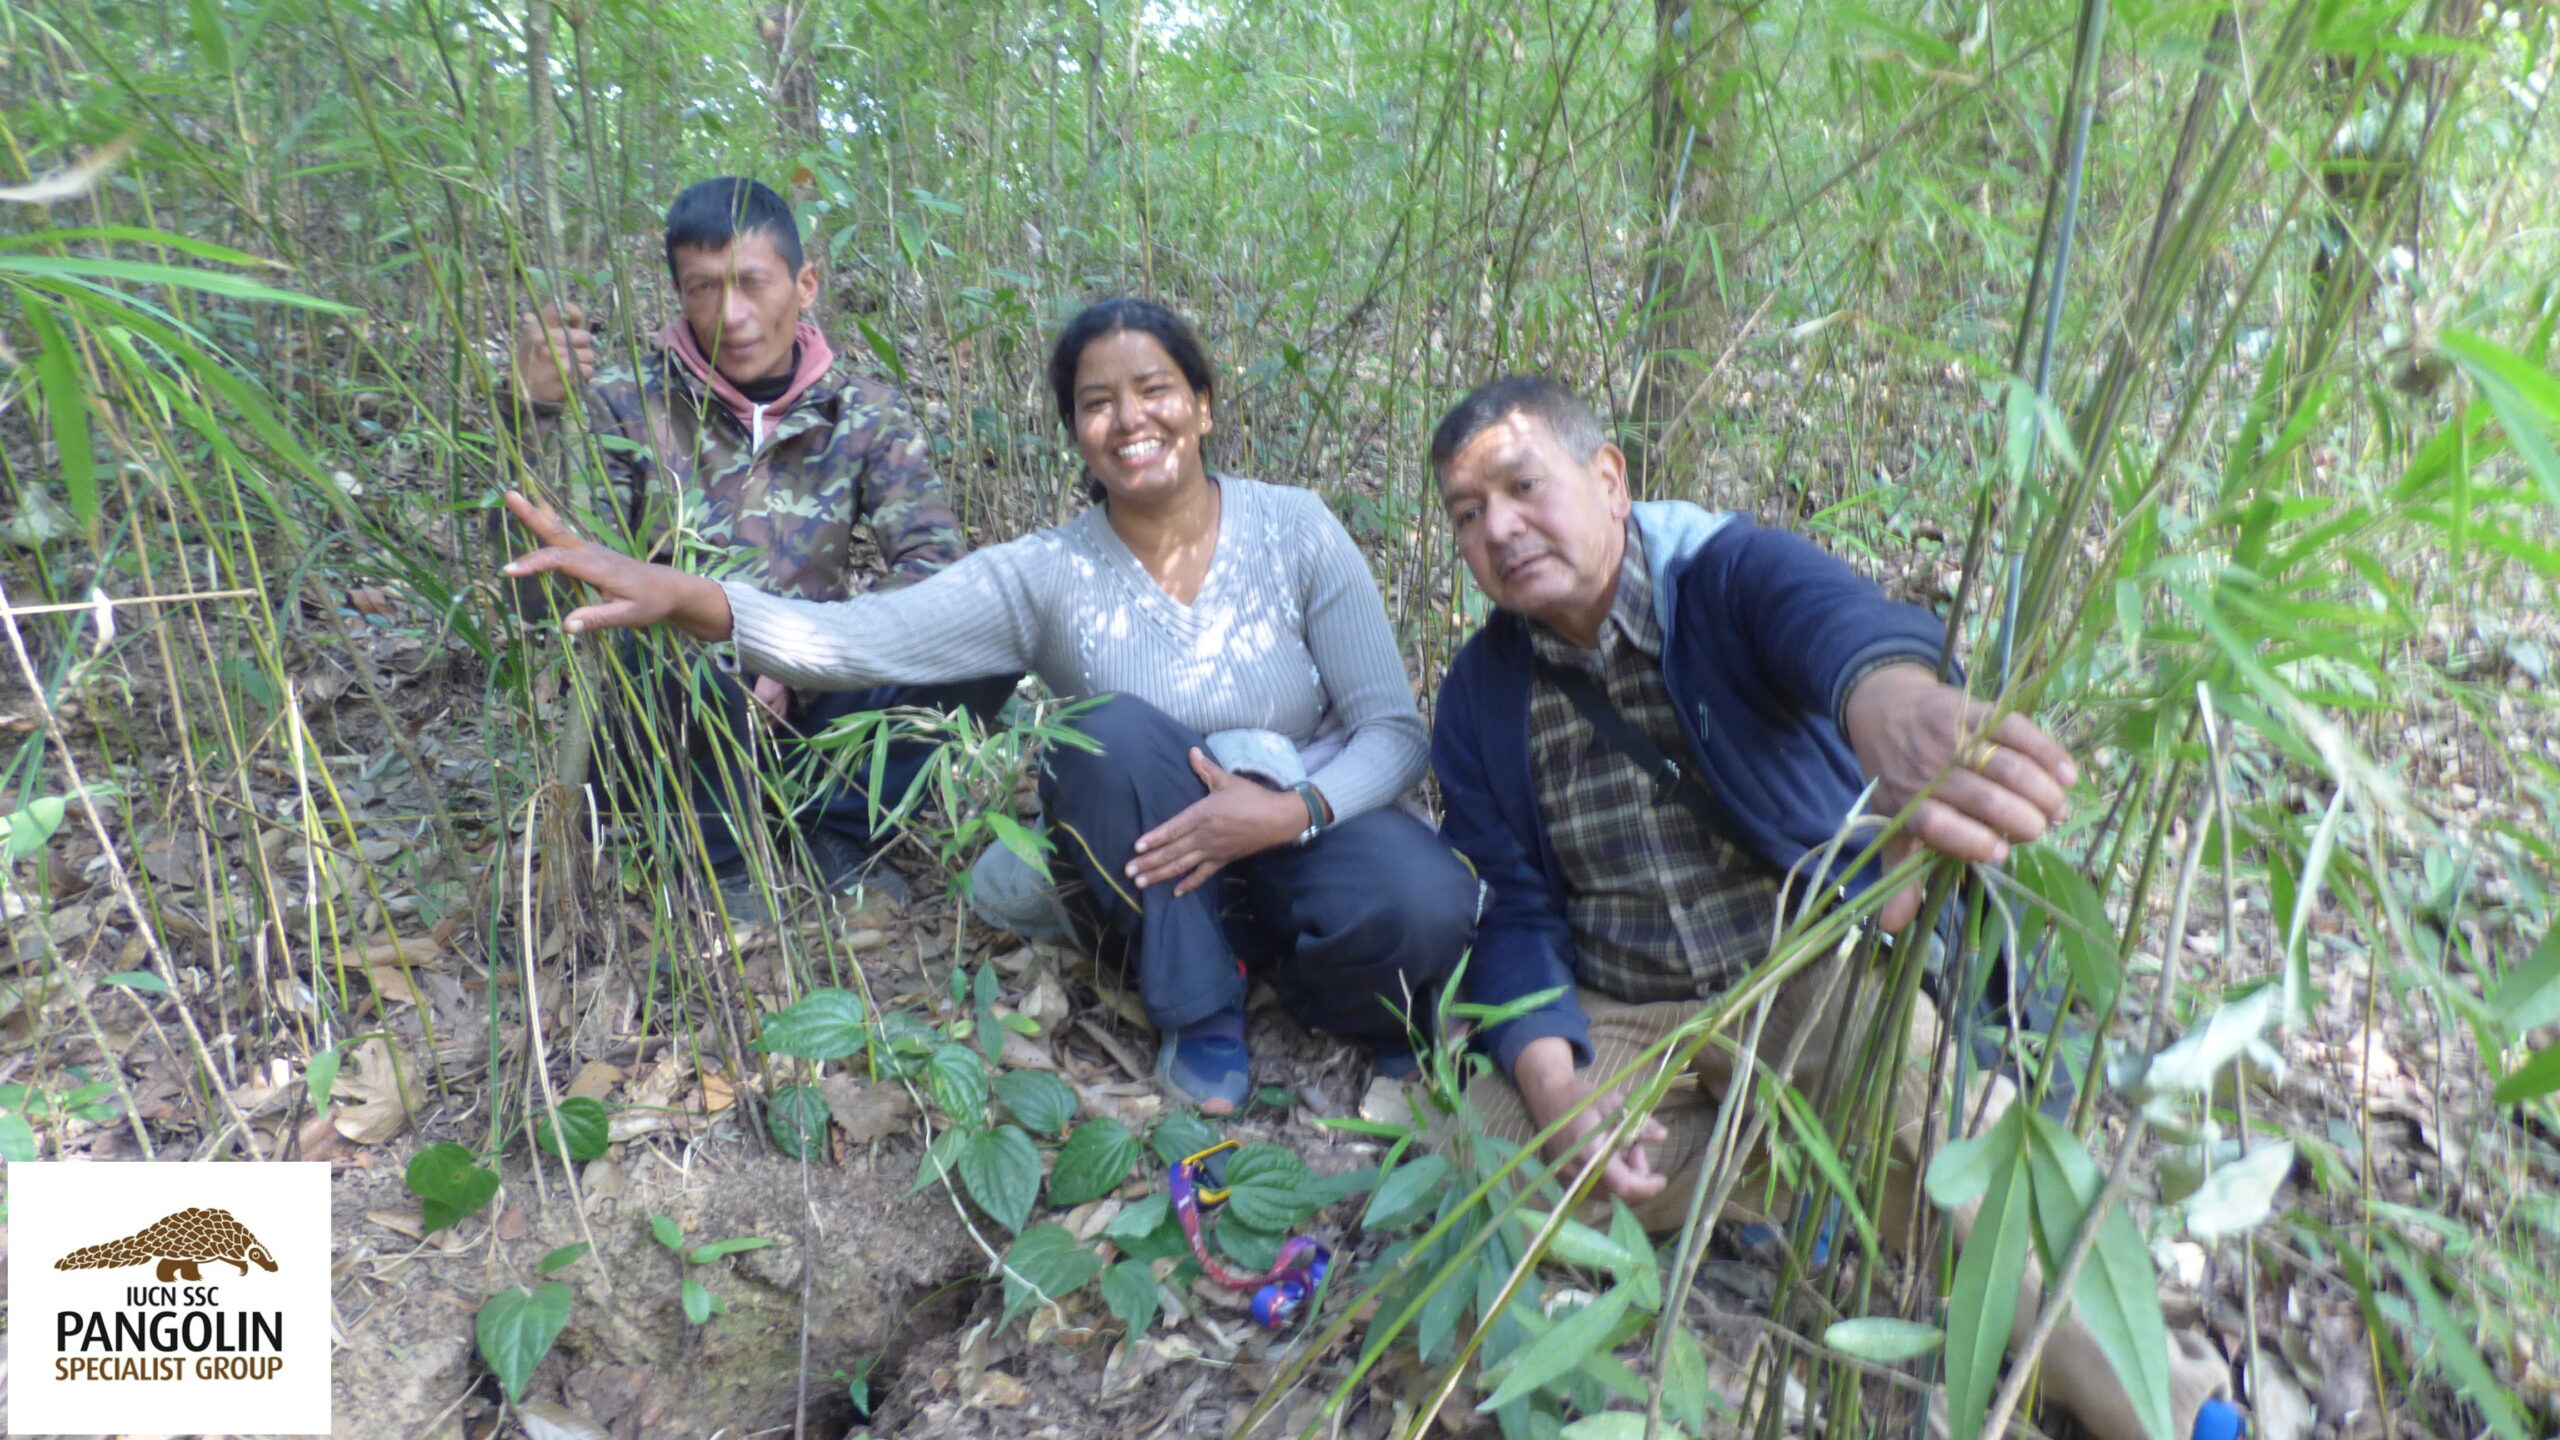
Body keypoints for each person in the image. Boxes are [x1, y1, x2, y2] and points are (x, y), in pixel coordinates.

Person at [1426, 376, 2232, 1440]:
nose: (1499, 529)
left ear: (1609, 479)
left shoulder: (1715, 579)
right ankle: (1784, 1182)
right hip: (1627, 1005)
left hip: (1807, 962)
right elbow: (1512, 906)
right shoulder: (1480, 694)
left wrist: (1893, 707)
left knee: (1970, 1170)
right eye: (1468, 515)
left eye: (1522, 487)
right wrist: (1550, 1075)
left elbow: (1836, 628)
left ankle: (2182, 1411)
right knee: (1479, 1172)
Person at [499, 297, 1479, 1114]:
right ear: (1075, 433)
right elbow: (860, 640)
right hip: (1155, 874)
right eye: (1097, 403)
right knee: (1107, 732)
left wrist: (1288, 809)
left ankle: (1301, 975)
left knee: (1429, 899)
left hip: (1293, 823)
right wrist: (689, 599)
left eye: (1154, 391)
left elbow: (1392, 733)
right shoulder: (1043, 574)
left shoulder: (1295, 528)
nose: (1130, 419)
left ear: (1203, 405)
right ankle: (1201, 1008)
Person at [505, 177, 1014, 920]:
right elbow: (542, 587)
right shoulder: (622, 401)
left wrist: (801, 664)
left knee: (989, 627)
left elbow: (933, 572)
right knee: (654, 621)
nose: (732, 315)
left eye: (752, 283)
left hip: (817, 700)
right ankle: (716, 853)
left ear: (804, 285)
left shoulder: (863, 411)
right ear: (678, 294)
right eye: (704, 288)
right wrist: (532, 413)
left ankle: (832, 823)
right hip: (669, 715)